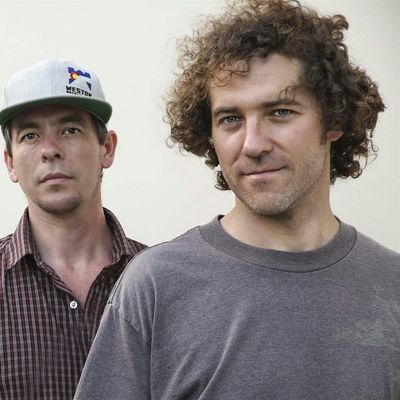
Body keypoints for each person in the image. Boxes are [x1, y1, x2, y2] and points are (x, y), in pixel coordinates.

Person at [75, 1, 400, 399]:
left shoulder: (393, 286)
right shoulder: (155, 287)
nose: (253, 144)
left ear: (333, 120)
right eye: (230, 119)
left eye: (280, 112)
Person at [0, 58, 146, 399]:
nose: (50, 151)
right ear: (10, 162)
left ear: (107, 148)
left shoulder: (163, 280)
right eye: (30, 136)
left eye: (70, 130)